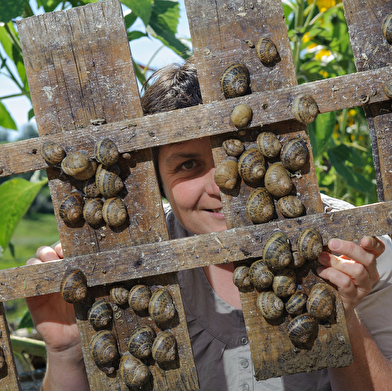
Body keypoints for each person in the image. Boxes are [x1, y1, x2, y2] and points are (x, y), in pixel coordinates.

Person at [27, 59, 392, 391]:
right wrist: (66, 354)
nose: (223, 184)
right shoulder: (127, 268)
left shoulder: (351, 247)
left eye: (232, 153)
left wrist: (346, 318)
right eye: (188, 165)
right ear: (159, 184)